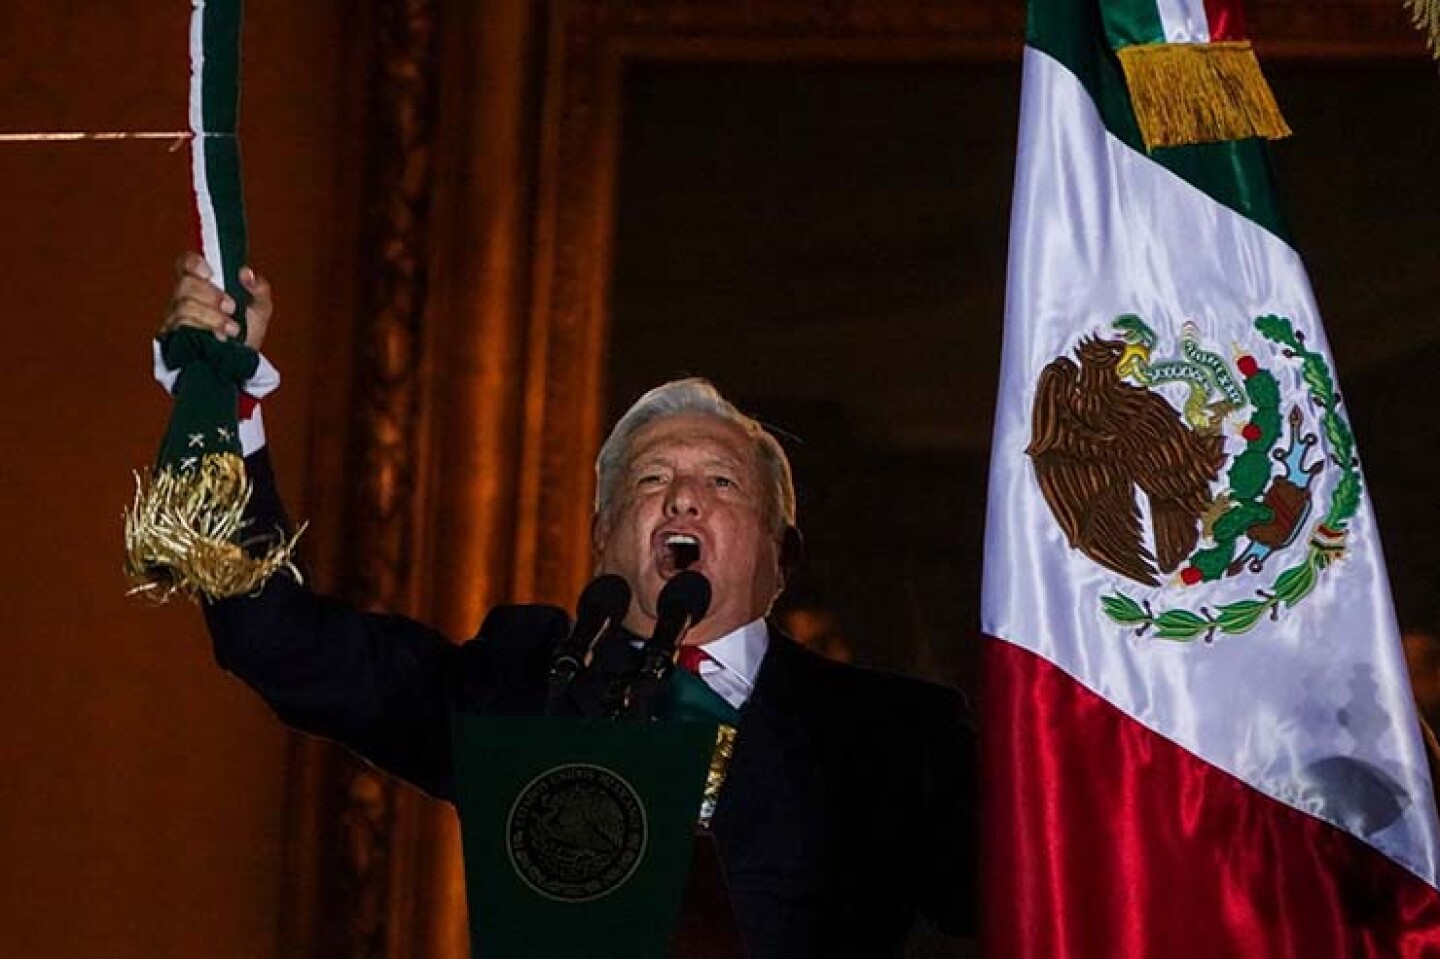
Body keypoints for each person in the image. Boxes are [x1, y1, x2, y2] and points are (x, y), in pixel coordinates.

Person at [159, 254, 979, 957]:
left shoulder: (895, 734)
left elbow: (1046, 896)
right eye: (652, 481)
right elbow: (278, 642)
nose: (683, 501)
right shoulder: (523, 681)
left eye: (721, 483)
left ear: (781, 557)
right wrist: (223, 413)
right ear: (602, 535)